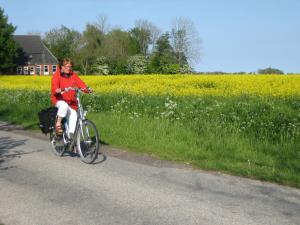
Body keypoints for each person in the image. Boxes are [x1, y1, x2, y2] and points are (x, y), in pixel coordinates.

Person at [51, 58, 91, 138]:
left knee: (73, 114)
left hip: (71, 102)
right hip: (59, 100)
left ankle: (71, 136)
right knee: (64, 106)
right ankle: (58, 123)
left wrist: (87, 89)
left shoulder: (73, 75)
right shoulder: (57, 75)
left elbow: (80, 83)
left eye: (70, 67)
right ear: (61, 67)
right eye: (67, 67)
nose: (69, 68)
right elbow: (55, 87)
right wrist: (58, 90)